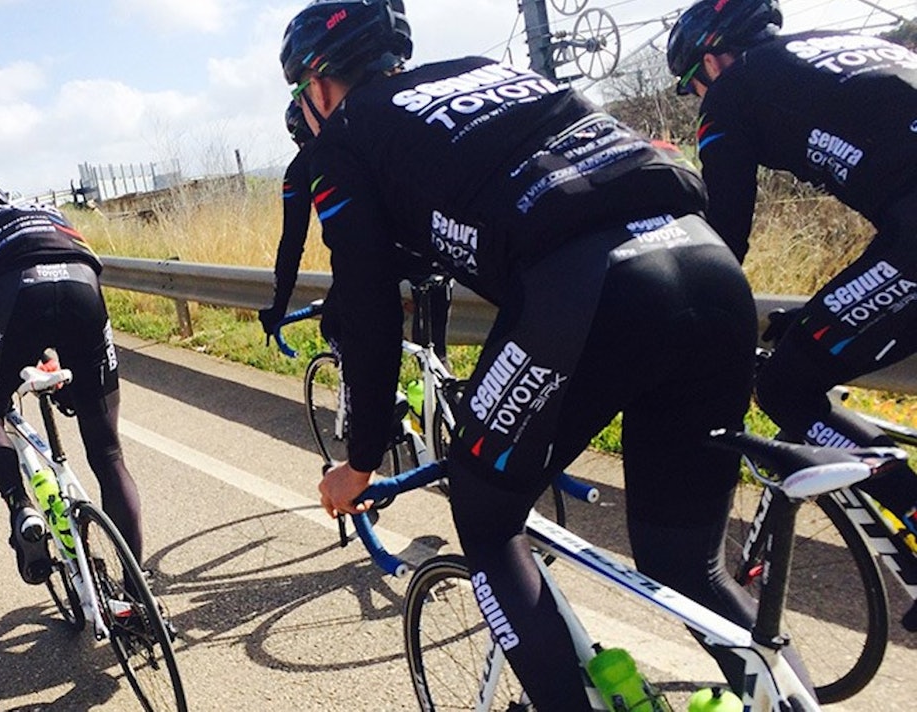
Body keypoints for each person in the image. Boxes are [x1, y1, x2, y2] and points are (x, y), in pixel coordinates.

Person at [282, 1, 775, 707]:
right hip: (709, 265)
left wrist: (360, 461)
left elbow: (366, 310)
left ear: (320, 86)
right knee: (684, 561)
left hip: (589, 288)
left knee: (484, 515)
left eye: (303, 95)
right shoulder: (490, 74)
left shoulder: (343, 140)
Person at [667, 0, 917, 541]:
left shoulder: (732, 91)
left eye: (689, 87)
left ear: (710, 62)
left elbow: (725, 237)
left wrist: (684, 310)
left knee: (786, 387)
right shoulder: (837, 47)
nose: (695, 102)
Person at [0, 177, 143, 587]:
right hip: (83, 286)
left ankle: (20, 504)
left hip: (17, 294)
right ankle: (137, 604)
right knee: (109, 455)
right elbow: (54, 291)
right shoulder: (42, 211)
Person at [259, 101, 453, 365]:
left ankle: (378, 399)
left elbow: (292, 243)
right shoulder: (368, 136)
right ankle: (445, 400)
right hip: (437, 248)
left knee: (334, 328)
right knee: (434, 355)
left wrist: (278, 307)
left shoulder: (302, 166)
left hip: (374, 260)